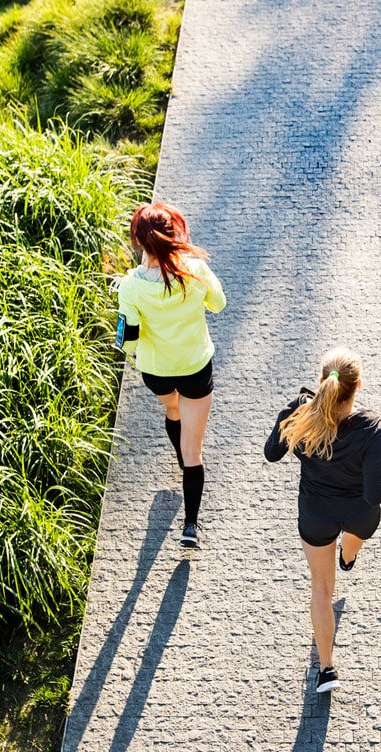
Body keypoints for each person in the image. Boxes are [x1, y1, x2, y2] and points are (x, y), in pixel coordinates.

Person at [264, 347, 381, 693]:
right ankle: (348, 557)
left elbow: (271, 453)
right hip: (359, 515)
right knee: (353, 545)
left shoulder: (302, 414)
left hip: (316, 515)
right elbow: (375, 494)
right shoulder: (372, 429)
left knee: (322, 590)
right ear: (359, 386)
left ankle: (326, 670)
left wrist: (291, 408)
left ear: (321, 381)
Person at [116, 202, 226, 548]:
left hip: (156, 372)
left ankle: (178, 453)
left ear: (138, 241)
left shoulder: (130, 286)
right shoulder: (194, 271)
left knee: (172, 410)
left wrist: (139, 352)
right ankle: (190, 526)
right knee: (194, 454)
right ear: (174, 234)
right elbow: (219, 304)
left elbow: (128, 340)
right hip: (194, 367)